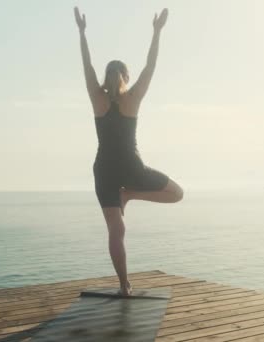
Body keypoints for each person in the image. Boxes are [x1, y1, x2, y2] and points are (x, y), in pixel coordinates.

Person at [74, 7, 184, 296]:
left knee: (116, 231)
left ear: (108, 76)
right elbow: (151, 67)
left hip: (104, 170)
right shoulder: (132, 98)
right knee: (177, 193)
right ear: (125, 76)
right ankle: (131, 194)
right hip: (132, 169)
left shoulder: (97, 97)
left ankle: (124, 286)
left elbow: (86, 66)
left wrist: (82, 34)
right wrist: (157, 32)